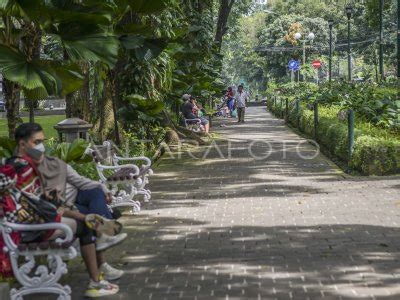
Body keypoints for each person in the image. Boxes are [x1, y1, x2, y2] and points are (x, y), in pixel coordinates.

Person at [13, 123, 124, 297]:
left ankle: (99, 269)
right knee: (88, 222)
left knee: (91, 212)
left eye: (42, 141)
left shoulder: (37, 166)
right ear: (22, 144)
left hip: (43, 217)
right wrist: (84, 216)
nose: (42, 146)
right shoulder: (22, 171)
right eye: (37, 142)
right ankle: (97, 276)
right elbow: (49, 206)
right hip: (32, 226)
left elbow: (54, 200)